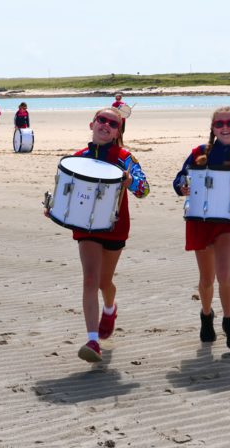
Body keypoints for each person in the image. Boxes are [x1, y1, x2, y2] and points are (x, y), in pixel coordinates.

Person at [45, 108, 149, 362]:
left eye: (113, 124)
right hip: (85, 226)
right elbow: (65, 191)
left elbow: (144, 189)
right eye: (101, 120)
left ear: (118, 131)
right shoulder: (78, 158)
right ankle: (93, 341)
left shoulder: (125, 158)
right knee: (90, 279)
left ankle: (110, 308)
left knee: (105, 282)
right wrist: (54, 208)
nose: (106, 125)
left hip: (115, 226)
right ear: (91, 124)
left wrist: (129, 181)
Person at [172, 107, 230, 349]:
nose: (225, 127)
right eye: (220, 123)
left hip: (228, 222)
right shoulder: (199, 153)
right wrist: (182, 186)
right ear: (212, 128)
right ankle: (206, 315)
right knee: (206, 278)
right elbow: (179, 179)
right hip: (200, 219)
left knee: (224, 273)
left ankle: (229, 321)